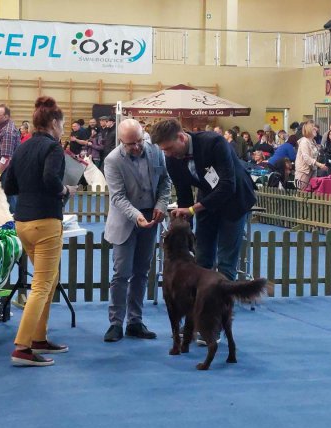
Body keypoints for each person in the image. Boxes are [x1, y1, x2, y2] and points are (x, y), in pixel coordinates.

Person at [150, 119, 256, 308]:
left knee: (225, 262)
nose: (167, 153)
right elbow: (183, 195)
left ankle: (219, 313)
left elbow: (227, 185)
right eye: (163, 150)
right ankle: (200, 309)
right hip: (207, 201)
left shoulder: (214, 143)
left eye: (168, 148)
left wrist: (192, 209)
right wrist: (185, 227)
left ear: (181, 138)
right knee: (202, 257)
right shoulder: (172, 158)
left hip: (235, 199)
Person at [4, 96, 77, 367]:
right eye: (63, 123)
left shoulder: (23, 148)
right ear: (54, 123)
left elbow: (8, 185)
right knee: (43, 285)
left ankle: (39, 338)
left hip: (23, 222)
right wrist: (65, 190)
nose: (63, 128)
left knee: (48, 280)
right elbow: (50, 179)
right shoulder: (54, 149)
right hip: (46, 221)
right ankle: (22, 347)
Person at [102, 119, 171, 343]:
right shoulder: (112, 160)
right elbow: (118, 197)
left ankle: (135, 321)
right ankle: (115, 323)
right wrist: (137, 216)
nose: (137, 146)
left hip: (151, 219)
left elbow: (165, 182)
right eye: (131, 144)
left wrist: (160, 206)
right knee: (121, 274)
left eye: (140, 140)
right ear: (121, 141)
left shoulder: (155, 151)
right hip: (125, 221)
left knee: (142, 272)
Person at [295, 121, 326, 190]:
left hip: (312, 170)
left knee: (311, 192)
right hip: (304, 171)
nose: (316, 130)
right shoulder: (304, 141)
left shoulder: (313, 141)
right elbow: (306, 158)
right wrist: (319, 164)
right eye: (313, 128)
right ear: (309, 129)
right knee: (302, 192)